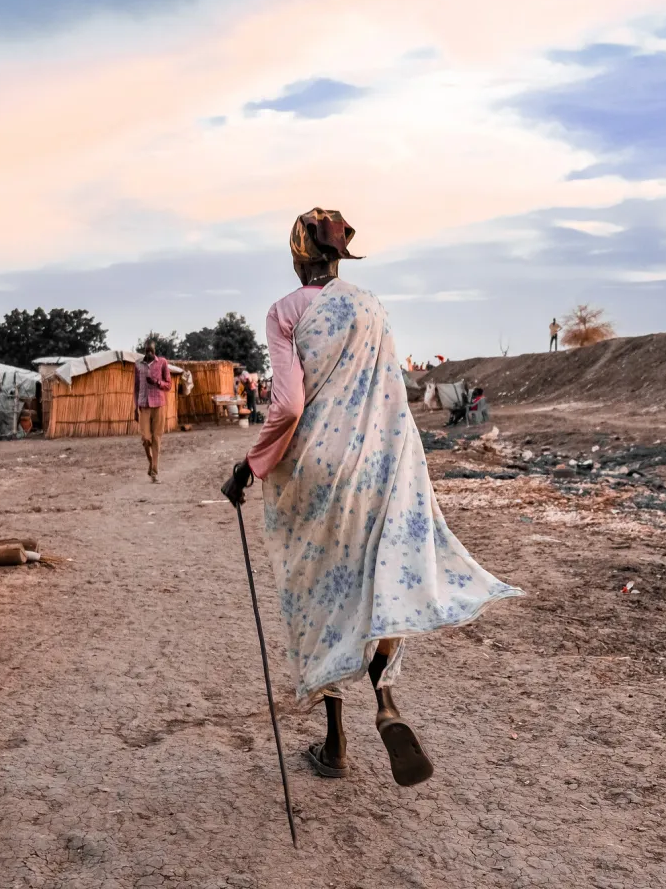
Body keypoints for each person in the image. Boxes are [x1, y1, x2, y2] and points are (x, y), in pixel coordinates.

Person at [222, 208, 521, 787]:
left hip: (317, 470)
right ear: (340, 256)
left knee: (321, 593)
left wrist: (248, 466)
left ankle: (334, 744)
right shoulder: (373, 307)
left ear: (297, 257)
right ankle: (385, 701)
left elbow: (288, 405)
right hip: (384, 463)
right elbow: (390, 394)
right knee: (384, 577)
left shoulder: (285, 311)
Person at [133, 340, 172, 483]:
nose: (149, 353)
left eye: (152, 350)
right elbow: (136, 387)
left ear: (155, 351)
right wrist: (135, 407)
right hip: (143, 405)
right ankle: (151, 462)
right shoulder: (138, 364)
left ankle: (154, 472)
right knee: (145, 438)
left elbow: (169, 385)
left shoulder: (162, 363)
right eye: (147, 350)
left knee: (156, 438)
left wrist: (156, 382)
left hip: (159, 404)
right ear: (144, 350)